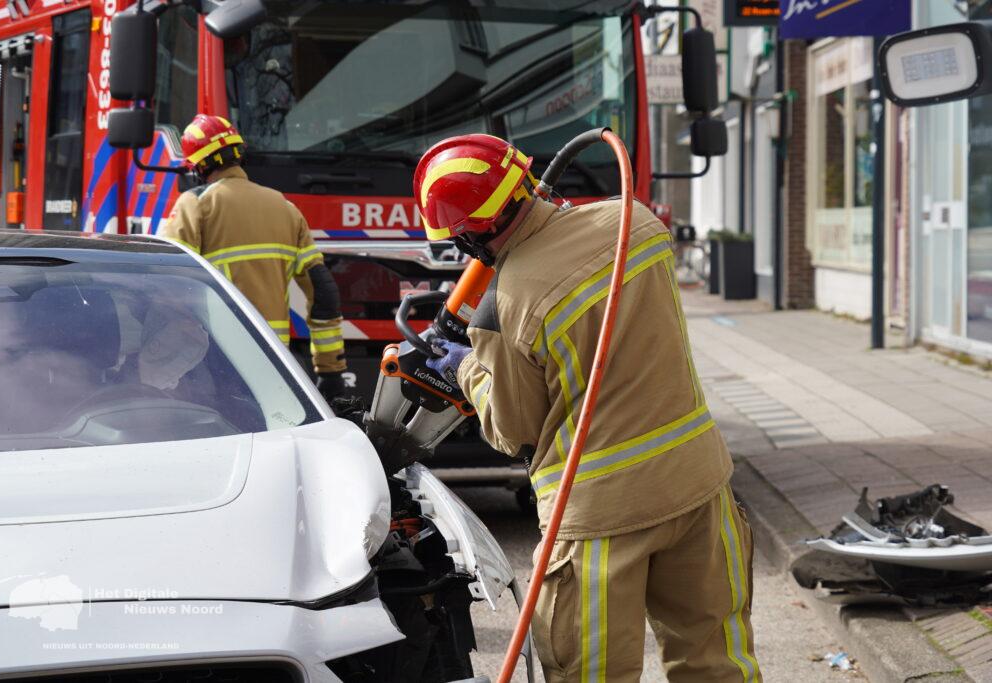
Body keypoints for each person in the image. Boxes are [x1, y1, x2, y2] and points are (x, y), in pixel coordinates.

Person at [416, 134, 760, 683]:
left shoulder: (504, 307)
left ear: (467, 234)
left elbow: (515, 429)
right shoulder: (636, 223)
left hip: (598, 517)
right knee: (717, 667)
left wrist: (468, 369)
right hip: (699, 487)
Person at [160, 114, 349, 401]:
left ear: (198, 166)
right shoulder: (285, 207)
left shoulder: (195, 204)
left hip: (214, 359)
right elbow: (323, 294)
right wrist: (330, 370)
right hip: (274, 359)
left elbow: (167, 283)